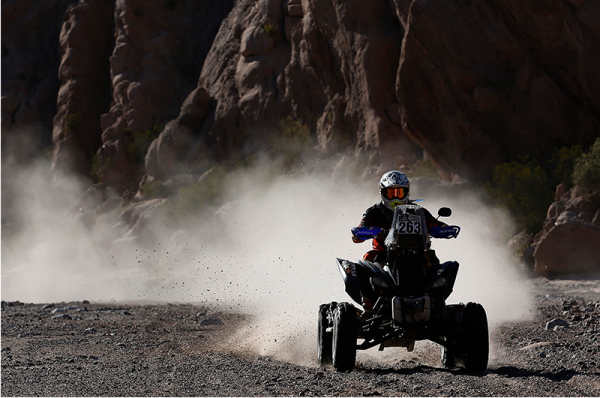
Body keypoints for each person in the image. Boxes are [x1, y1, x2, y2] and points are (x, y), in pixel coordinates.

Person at [351, 170, 448, 311]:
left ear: (407, 192)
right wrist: (367, 232)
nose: (396, 197)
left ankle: (437, 303)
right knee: (367, 258)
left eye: (400, 193)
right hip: (384, 255)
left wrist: (444, 228)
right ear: (382, 193)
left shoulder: (417, 210)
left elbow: (433, 223)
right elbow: (358, 234)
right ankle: (370, 306)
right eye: (391, 193)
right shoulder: (374, 212)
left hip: (418, 253)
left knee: (435, 261)